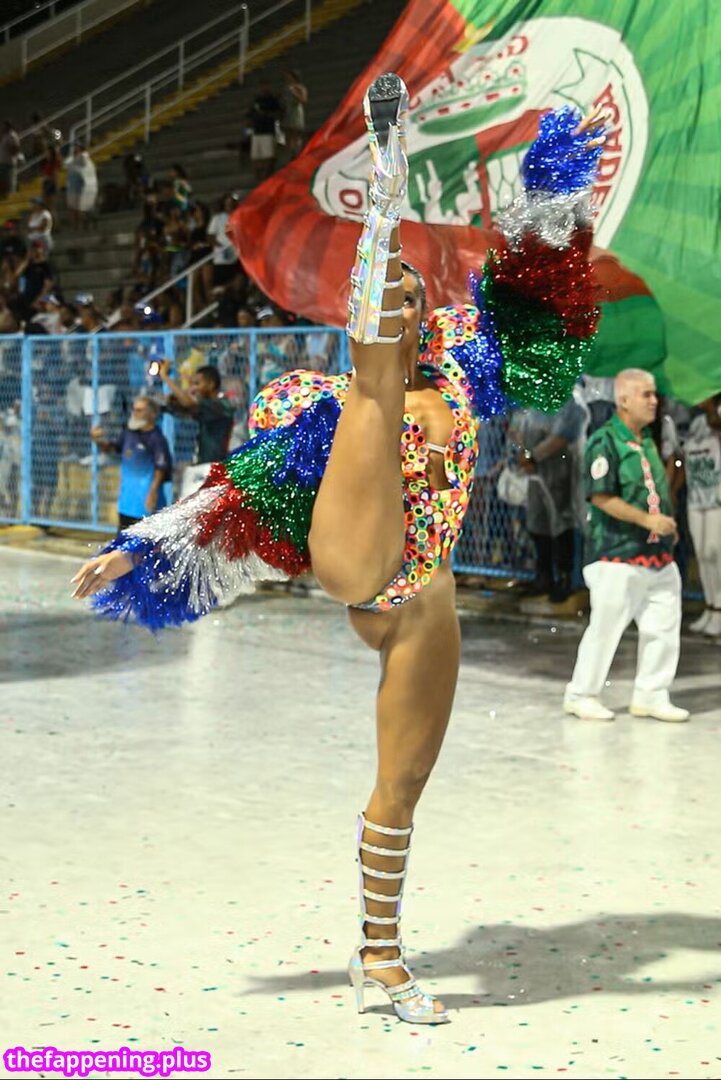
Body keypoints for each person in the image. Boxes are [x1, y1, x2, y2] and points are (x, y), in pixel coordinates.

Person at [72, 74, 608, 1023]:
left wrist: (552, 202)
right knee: (368, 392)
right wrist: (142, 547)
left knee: (402, 786)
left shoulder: (463, 368)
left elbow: (535, 321)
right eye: (385, 291)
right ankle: (384, 186)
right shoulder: (320, 401)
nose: (404, 301)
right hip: (357, 558)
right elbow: (236, 488)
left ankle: (380, 958)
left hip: (422, 598)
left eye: (409, 292)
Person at [564, 369, 690, 723]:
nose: (654, 401)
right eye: (646, 395)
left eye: (654, 394)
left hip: (657, 555)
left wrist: (665, 526)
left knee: (663, 628)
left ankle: (652, 694)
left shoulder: (646, 440)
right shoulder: (604, 441)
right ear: (623, 400)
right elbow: (601, 497)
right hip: (616, 554)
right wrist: (648, 521)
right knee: (605, 629)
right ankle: (581, 694)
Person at [513, 395, 587, 602]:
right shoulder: (531, 399)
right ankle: (543, 576)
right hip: (534, 470)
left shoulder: (568, 402)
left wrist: (533, 456)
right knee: (537, 521)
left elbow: (563, 437)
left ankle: (565, 578)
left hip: (559, 467)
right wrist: (524, 454)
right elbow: (516, 428)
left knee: (561, 521)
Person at [91, 396, 172, 531]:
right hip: (126, 502)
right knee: (123, 539)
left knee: (144, 541)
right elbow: (113, 449)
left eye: (139, 410)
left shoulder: (156, 439)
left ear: (152, 414)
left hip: (145, 504)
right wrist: (98, 440)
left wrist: (152, 492)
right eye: (134, 410)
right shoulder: (128, 433)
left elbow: (161, 468)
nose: (134, 413)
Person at [156, 360, 234, 497]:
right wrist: (171, 401)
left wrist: (165, 377)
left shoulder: (221, 405)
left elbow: (189, 404)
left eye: (197, 384)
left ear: (211, 384)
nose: (194, 388)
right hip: (202, 467)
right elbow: (184, 409)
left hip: (215, 468)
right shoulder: (207, 407)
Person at [682, 394, 721, 637]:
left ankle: (719, 608)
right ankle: (710, 605)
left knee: (716, 551)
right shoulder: (695, 423)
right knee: (703, 554)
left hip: (717, 496)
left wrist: (712, 410)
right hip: (696, 496)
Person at [248, 81, 283, 181]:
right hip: (257, 131)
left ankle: (267, 175)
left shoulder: (272, 100)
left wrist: (267, 115)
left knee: (268, 156)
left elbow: (278, 113)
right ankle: (258, 176)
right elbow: (250, 114)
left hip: (267, 131)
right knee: (256, 157)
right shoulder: (256, 100)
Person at [65, 145, 98, 230]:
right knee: (73, 209)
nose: (75, 153)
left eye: (77, 151)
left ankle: (86, 223)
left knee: (82, 209)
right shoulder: (72, 162)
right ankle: (76, 226)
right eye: (75, 152)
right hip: (73, 188)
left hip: (83, 189)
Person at [282, 69, 308, 157]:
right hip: (287, 114)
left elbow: (303, 100)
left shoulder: (299, 88)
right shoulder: (286, 88)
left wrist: (294, 92)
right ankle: (291, 154)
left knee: (296, 135)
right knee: (288, 137)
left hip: (296, 114)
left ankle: (298, 153)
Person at [0, 121, 21, 198]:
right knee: (3, 181)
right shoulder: (5, 136)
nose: (2, 128)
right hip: (3, 162)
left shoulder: (12, 135)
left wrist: (10, 151)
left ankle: (11, 196)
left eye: (4, 126)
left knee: (9, 181)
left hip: (9, 163)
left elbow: (16, 148)